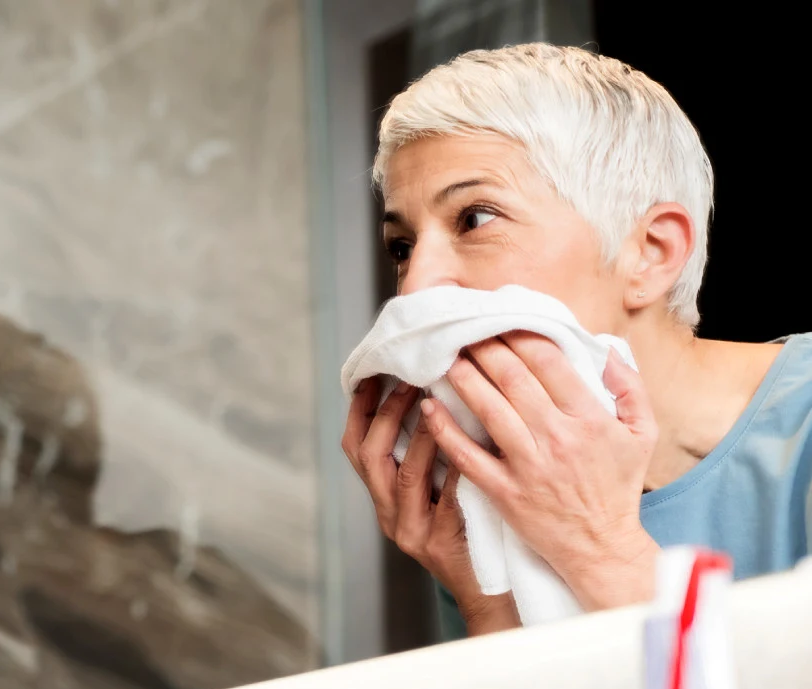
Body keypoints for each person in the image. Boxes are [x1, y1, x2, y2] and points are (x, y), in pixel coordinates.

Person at [341, 43, 811, 636]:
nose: (415, 290)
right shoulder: (494, 497)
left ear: (650, 254)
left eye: (475, 218)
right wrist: (485, 595)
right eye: (402, 248)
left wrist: (598, 545)